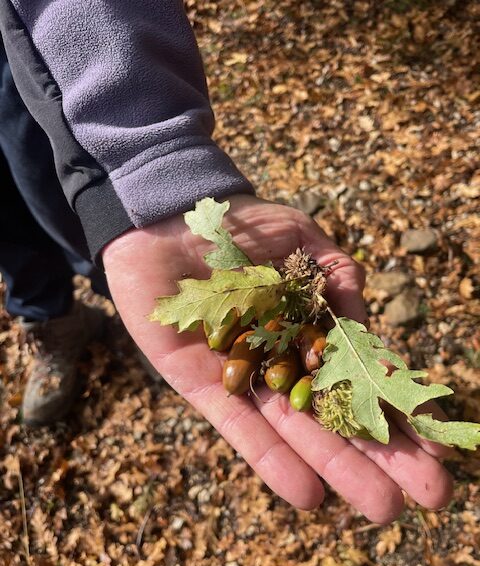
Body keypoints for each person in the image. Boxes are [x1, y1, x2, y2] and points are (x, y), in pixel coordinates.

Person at [0, 1, 454, 524]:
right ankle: (45, 311)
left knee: (53, 185)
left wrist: (148, 163)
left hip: (25, 54)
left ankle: (112, 300)